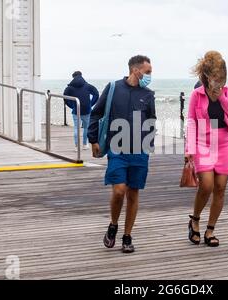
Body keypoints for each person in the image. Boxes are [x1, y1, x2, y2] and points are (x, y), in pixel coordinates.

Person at [88, 55, 157, 254]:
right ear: (136, 70)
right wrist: (93, 139)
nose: (150, 76)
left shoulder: (148, 94)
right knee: (119, 191)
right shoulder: (113, 88)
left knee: (133, 193)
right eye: (148, 72)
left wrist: (148, 144)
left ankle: (127, 236)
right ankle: (113, 224)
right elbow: (96, 113)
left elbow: (151, 120)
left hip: (139, 151)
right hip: (117, 149)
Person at [185, 51, 228, 247]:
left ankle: (210, 229)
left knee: (220, 188)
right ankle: (195, 220)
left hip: (223, 143)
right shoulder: (196, 95)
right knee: (206, 185)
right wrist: (189, 149)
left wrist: (222, 99)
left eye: (222, 79)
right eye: (216, 79)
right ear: (207, 77)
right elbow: (191, 122)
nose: (219, 83)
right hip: (203, 143)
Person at [64, 71, 99, 151]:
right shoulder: (87, 86)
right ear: (81, 76)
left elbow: (65, 97)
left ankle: (76, 146)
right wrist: (91, 104)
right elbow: (96, 94)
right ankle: (85, 144)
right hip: (87, 110)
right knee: (86, 128)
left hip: (76, 110)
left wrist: (71, 106)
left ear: (73, 77)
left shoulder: (70, 87)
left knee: (76, 128)